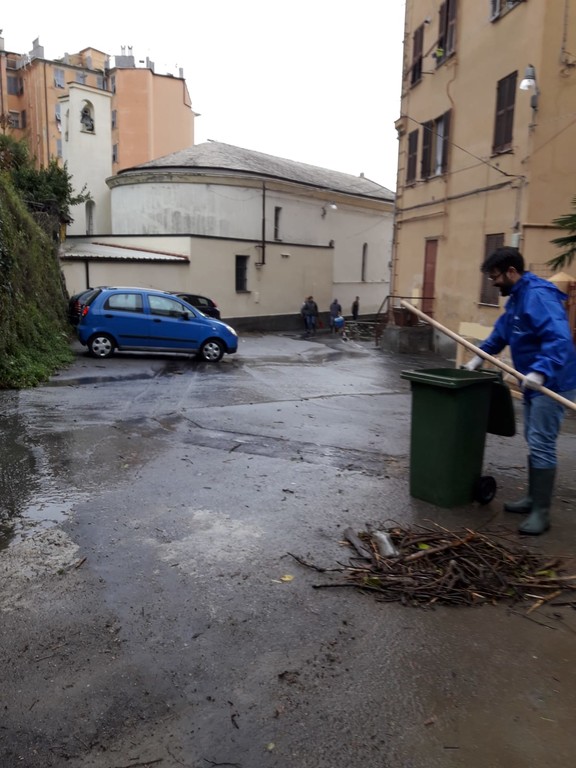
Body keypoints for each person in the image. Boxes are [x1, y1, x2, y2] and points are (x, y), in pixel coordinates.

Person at [464, 246, 576, 535]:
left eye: (495, 277)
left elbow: (559, 337)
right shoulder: (517, 298)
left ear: (512, 271)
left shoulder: (538, 295)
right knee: (534, 439)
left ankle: (541, 512)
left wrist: (542, 370)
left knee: (541, 443)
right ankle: (532, 499)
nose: (493, 283)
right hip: (533, 382)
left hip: (552, 381)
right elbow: (502, 332)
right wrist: (480, 357)